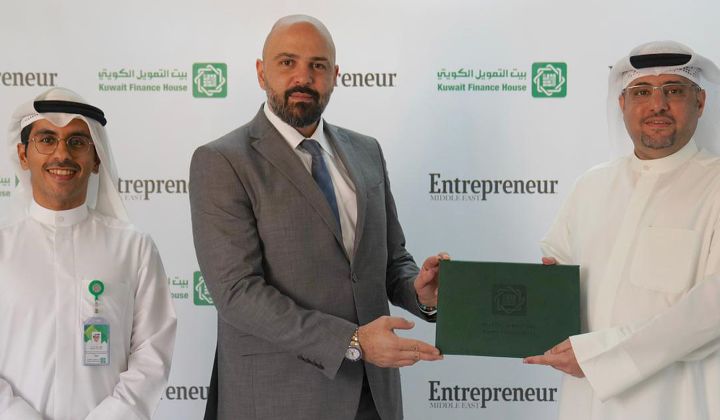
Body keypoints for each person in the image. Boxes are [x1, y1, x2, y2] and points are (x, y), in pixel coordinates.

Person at [190, 14, 445, 420]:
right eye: (287, 62)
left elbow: (389, 260)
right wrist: (353, 341)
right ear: (261, 72)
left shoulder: (367, 152)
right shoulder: (223, 161)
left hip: (374, 398)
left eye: (318, 65)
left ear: (335, 76)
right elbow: (237, 292)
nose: (303, 77)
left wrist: (420, 291)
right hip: (278, 400)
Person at [524, 41, 720, 420]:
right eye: (641, 92)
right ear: (622, 104)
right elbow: (555, 274)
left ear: (700, 102)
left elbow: (711, 310)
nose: (657, 105)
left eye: (674, 91)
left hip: (678, 401)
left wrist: (602, 356)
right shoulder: (591, 185)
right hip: (586, 401)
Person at [0, 87, 177, 420]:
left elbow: (152, 356)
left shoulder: (133, 248)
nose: (62, 154)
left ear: (96, 159)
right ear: (23, 155)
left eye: (77, 142)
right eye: (47, 140)